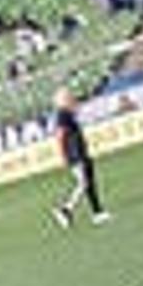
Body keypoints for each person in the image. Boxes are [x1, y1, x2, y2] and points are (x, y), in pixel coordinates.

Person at [50, 90, 108, 227]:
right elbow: (60, 135)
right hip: (75, 154)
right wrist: (63, 154)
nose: (72, 99)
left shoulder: (67, 113)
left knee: (89, 182)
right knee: (84, 183)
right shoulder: (62, 115)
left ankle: (97, 212)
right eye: (68, 97)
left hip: (80, 152)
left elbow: (78, 106)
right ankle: (66, 209)